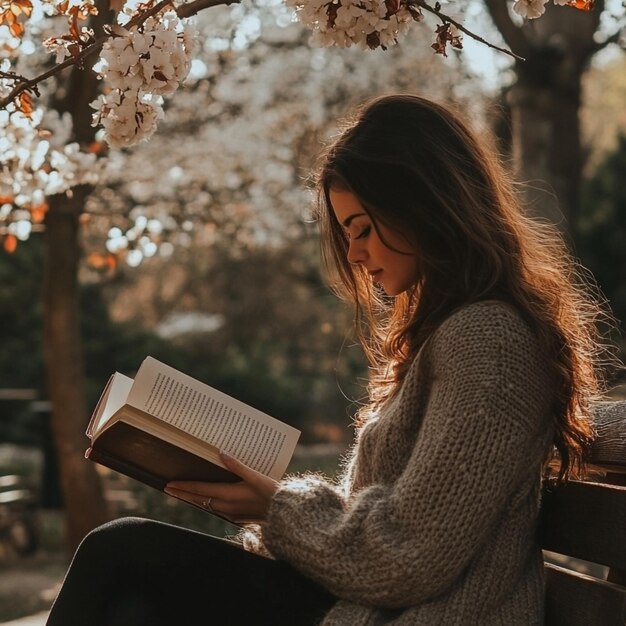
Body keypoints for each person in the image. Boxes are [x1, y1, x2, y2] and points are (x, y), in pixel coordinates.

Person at [46, 93, 616, 626]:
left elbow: (408, 557)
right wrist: (265, 505)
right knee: (133, 590)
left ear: (425, 205)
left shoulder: (488, 340)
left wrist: (278, 507)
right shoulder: (452, 335)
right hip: (370, 607)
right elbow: (407, 529)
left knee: (123, 554)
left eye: (362, 228)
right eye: (347, 234)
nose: (355, 254)